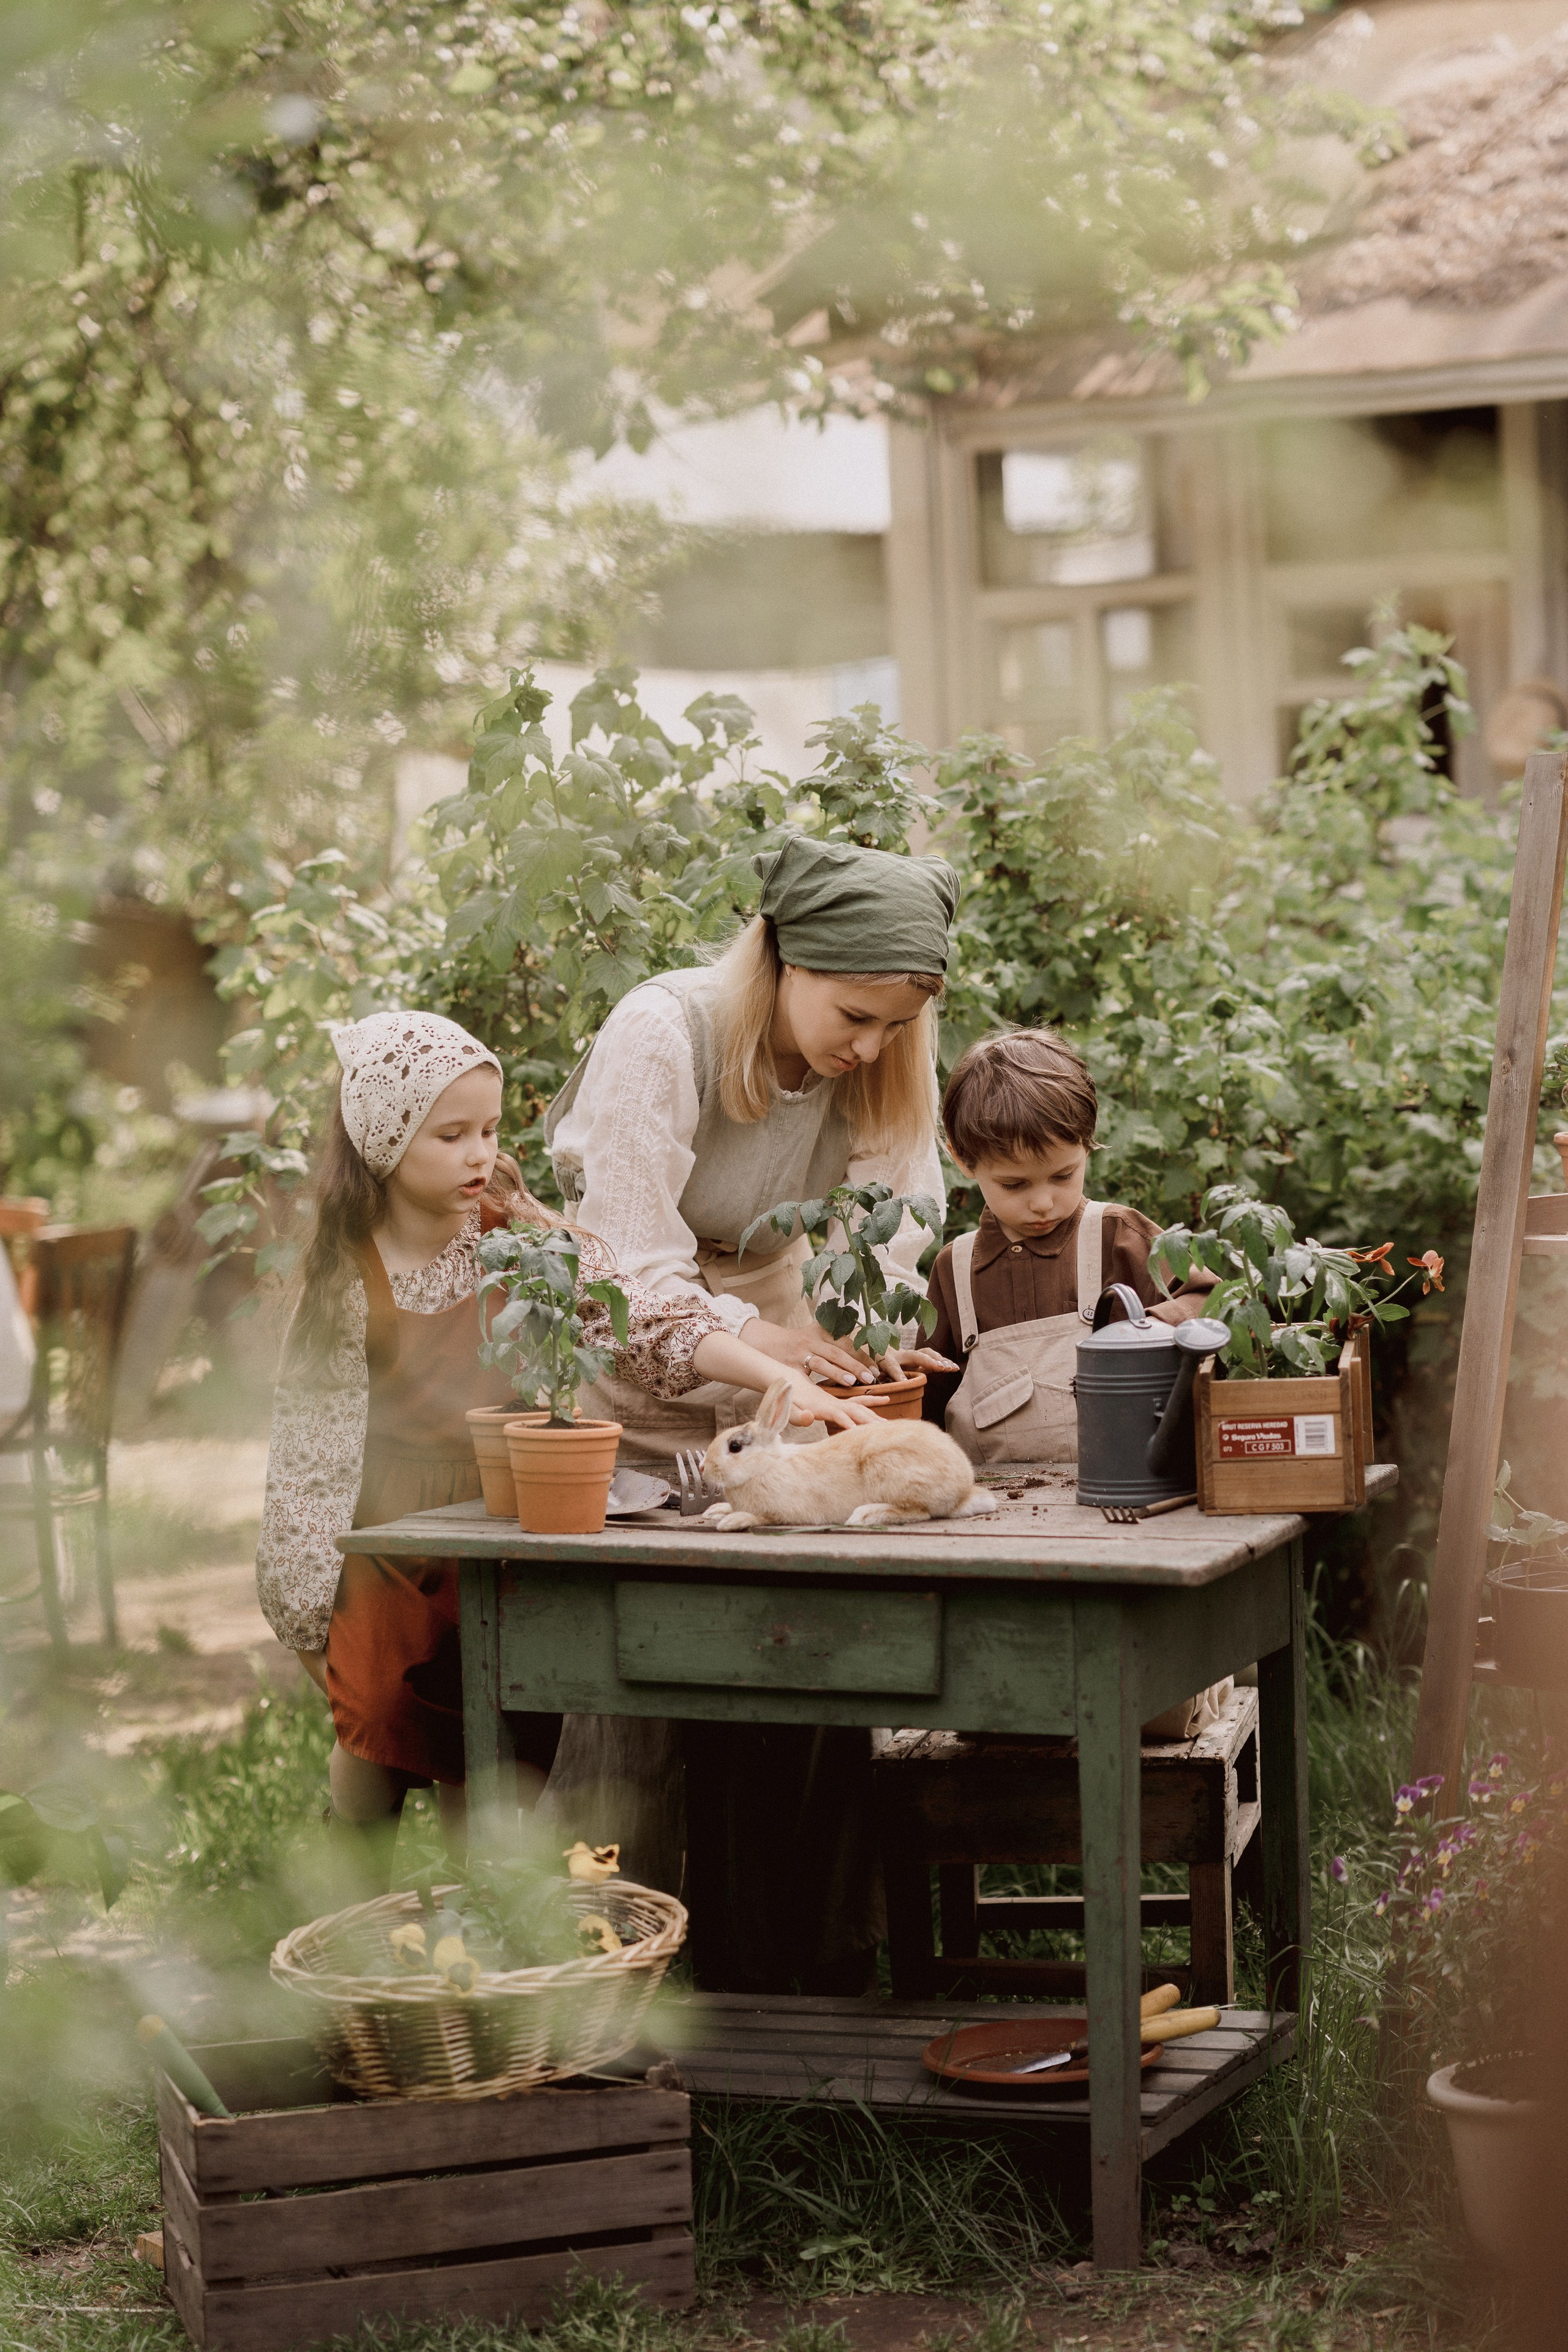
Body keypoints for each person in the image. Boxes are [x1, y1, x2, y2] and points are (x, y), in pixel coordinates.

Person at [255, 1008, 872, 1894]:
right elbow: (310, 1459)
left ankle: (489, 1952)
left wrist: (772, 1368)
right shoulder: (349, 1278)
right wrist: (308, 1615)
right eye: (451, 1134)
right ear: (384, 1142)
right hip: (391, 1544)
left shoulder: (512, 1233)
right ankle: (355, 1948)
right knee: (374, 1738)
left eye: (491, 1130)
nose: (480, 1154)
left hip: (509, 1520)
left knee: (501, 1761)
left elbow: (631, 1316)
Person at [543, 833, 962, 1992]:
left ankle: (800, 1971)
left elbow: (893, 1217)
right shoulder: (662, 1031)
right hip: (639, 1386)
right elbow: (621, 1267)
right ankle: (601, 1984)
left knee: (810, 1648)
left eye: (894, 1024)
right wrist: (766, 1369)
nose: (867, 1046)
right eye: (852, 1013)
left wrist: (857, 1343)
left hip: (778, 1355)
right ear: (778, 955)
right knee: (636, 1684)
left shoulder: (883, 1060)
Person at [922, 1028, 1219, 1455]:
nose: (1043, 1203)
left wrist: (1149, 1329)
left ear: (1087, 1144)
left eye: (1063, 1175)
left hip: (1125, 1494)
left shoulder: (1119, 1235)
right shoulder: (956, 1271)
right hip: (995, 1511)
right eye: (1014, 1184)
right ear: (963, 1160)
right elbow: (928, 1400)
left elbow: (1211, 1298)